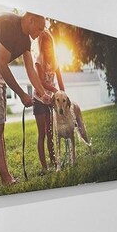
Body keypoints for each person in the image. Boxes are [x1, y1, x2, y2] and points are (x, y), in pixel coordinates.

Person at [0, 12, 50, 186]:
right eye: (40, 27)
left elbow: (30, 70)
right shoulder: (8, 24)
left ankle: (7, 176)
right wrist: (21, 94)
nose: (41, 32)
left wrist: (43, 93)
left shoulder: (26, 41)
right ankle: (6, 179)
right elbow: (2, 64)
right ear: (30, 20)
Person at [34, 29, 65, 173]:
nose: (47, 49)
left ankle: (53, 160)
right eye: (45, 46)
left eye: (49, 46)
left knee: (50, 132)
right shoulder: (39, 60)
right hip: (39, 100)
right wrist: (54, 90)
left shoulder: (55, 61)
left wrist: (63, 96)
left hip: (51, 101)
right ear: (41, 46)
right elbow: (41, 81)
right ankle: (44, 166)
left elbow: (60, 81)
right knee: (42, 133)